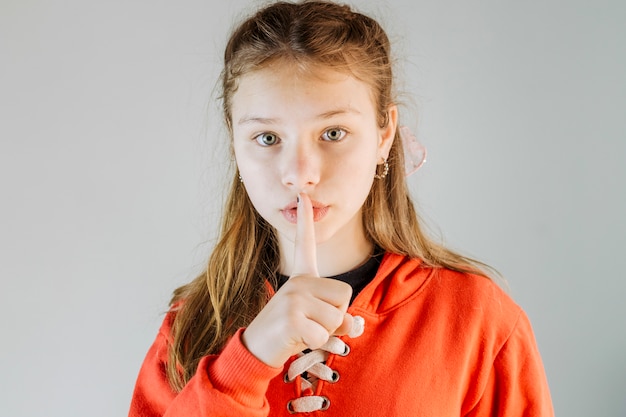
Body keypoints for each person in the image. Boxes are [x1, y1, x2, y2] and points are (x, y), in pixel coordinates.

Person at [128, 1, 554, 415]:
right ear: (234, 142)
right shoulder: (189, 327)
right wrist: (245, 365)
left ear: (383, 135)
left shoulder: (479, 319)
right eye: (268, 138)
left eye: (333, 133)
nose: (300, 174)